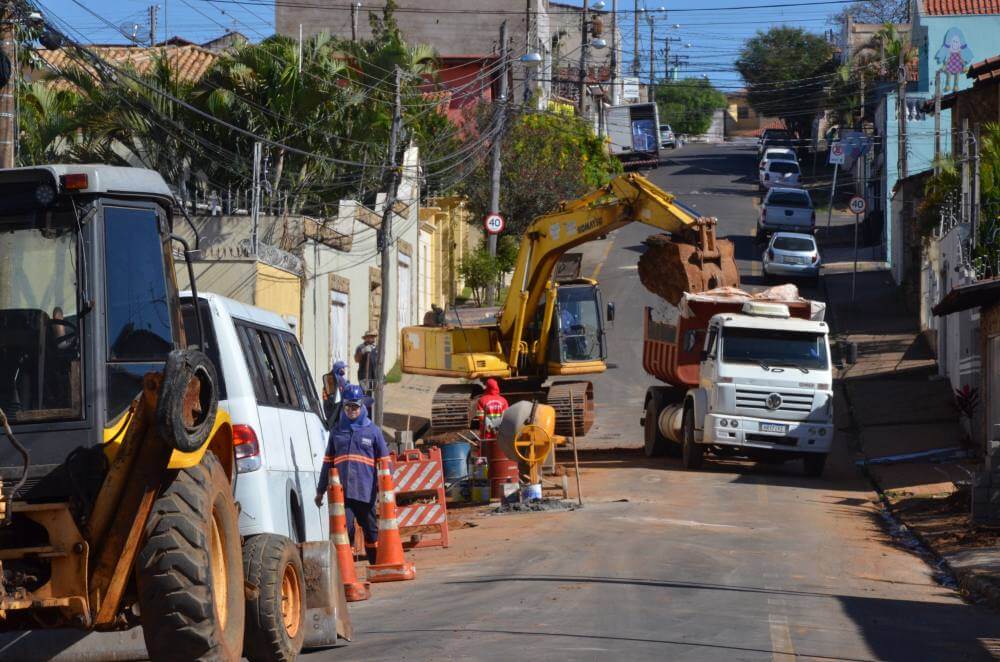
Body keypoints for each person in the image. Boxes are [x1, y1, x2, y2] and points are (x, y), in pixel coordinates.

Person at [315, 384, 389, 565]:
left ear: (362, 405)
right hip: (343, 495)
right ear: (344, 407)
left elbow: (385, 463)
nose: (352, 410)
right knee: (344, 530)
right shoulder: (337, 432)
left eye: (355, 406)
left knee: (371, 531)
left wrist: (385, 490)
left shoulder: (373, 432)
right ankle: (347, 571)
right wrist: (320, 490)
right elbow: (327, 463)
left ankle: (376, 563)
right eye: (348, 406)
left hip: (365, 493)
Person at [474, 378, 508, 457]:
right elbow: (505, 416)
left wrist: (490, 426)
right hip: (500, 432)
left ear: (487, 387)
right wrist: (497, 426)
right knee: (499, 452)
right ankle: (497, 467)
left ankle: (483, 469)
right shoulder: (503, 400)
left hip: (486, 432)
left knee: (483, 453)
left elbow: (481, 416)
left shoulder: (482, 400)